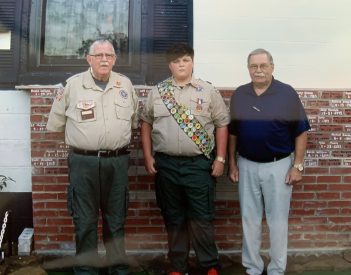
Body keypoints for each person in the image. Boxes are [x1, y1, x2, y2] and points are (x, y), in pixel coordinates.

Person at [47, 39, 138, 275]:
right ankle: (86, 270)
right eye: (99, 55)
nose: (104, 59)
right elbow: (56, 125)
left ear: (115, 59)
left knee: (116, 220)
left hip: (117, 162)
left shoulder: (125, 84)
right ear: (89, 59)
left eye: (109, 55)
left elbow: (133, 120)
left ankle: (117, 268)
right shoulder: (72, 86)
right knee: (85, 220)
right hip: (83, 163)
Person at [140, 43, 230, 275]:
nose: (181, 65)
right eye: (176, 61)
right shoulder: (158, 92)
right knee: (174, 218)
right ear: (170, 65)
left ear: (192, 62)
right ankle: (178, 267)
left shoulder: (207, 91)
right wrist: (148, 156)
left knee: (202, 217)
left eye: (185, 60)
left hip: (199, 165)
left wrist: (220, 158)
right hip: (166, 165)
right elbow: (146, 123)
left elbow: (222, 123)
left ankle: (209, 265)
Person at [228, 48, 310, 275]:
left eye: (263, 66)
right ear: (248, 69)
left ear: (272, 67)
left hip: (279, 166)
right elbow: (233, 133)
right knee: (249, 219)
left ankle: (276, 269)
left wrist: (298, 165)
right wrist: (232, 164)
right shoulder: (240, 95)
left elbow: (301, 132)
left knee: (278, 221)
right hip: (246, 164)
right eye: (253, 66)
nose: (259, 70)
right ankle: (253, 267)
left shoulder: (287, 93)